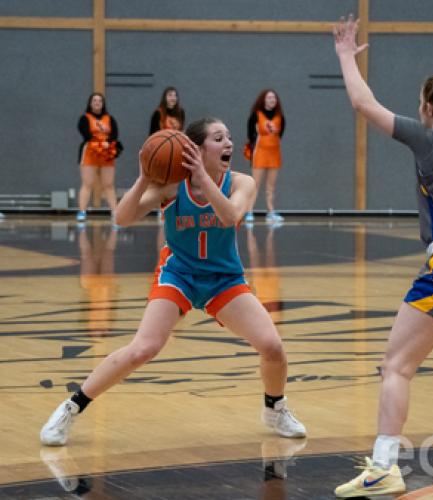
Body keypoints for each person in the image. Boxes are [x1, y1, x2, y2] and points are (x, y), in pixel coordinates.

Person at [40, 117, 306, 447]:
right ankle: (71, 407)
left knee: (273, 346)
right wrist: (142, 179)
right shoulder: (170, 186)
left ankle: (275, 408)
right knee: (144, 349)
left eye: (229, 137)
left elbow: (230, 216)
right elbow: (121, 219)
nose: (229, 144)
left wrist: (203, 178)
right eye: (219, 138)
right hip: (179, 274)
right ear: (195, 148)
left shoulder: (241, 183)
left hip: (223, 279)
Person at [333, 16, 433, 498]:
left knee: (397, 366)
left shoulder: (428, 139)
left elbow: (363, 103)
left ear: (428, 108)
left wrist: (346, 56)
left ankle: (385, 466)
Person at [77, 93, 122, 223]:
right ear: (90, 103)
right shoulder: (85, 118)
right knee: (87, 183)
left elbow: (115, 134)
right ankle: (82, 212)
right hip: (90, 152)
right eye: (94, 100)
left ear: (103, 104)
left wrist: (108, 141)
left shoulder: (110, 118)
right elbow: (86, 134)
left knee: (108, 184)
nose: (97, 103)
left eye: (99, 101)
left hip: (106, 153)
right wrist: (98, 142)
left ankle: (115, 212)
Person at [244, 89, 286, 224]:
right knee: (255, 184)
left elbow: (280, 134)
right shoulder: (256, 115)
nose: (272, 100)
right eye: (269, 98)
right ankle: (249, 211)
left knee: (271, 186)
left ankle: (271, 211)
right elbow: (250, 134)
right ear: (263, 100)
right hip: (260, 152)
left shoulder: (280, 116)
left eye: (274, 98)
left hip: (274, 153)